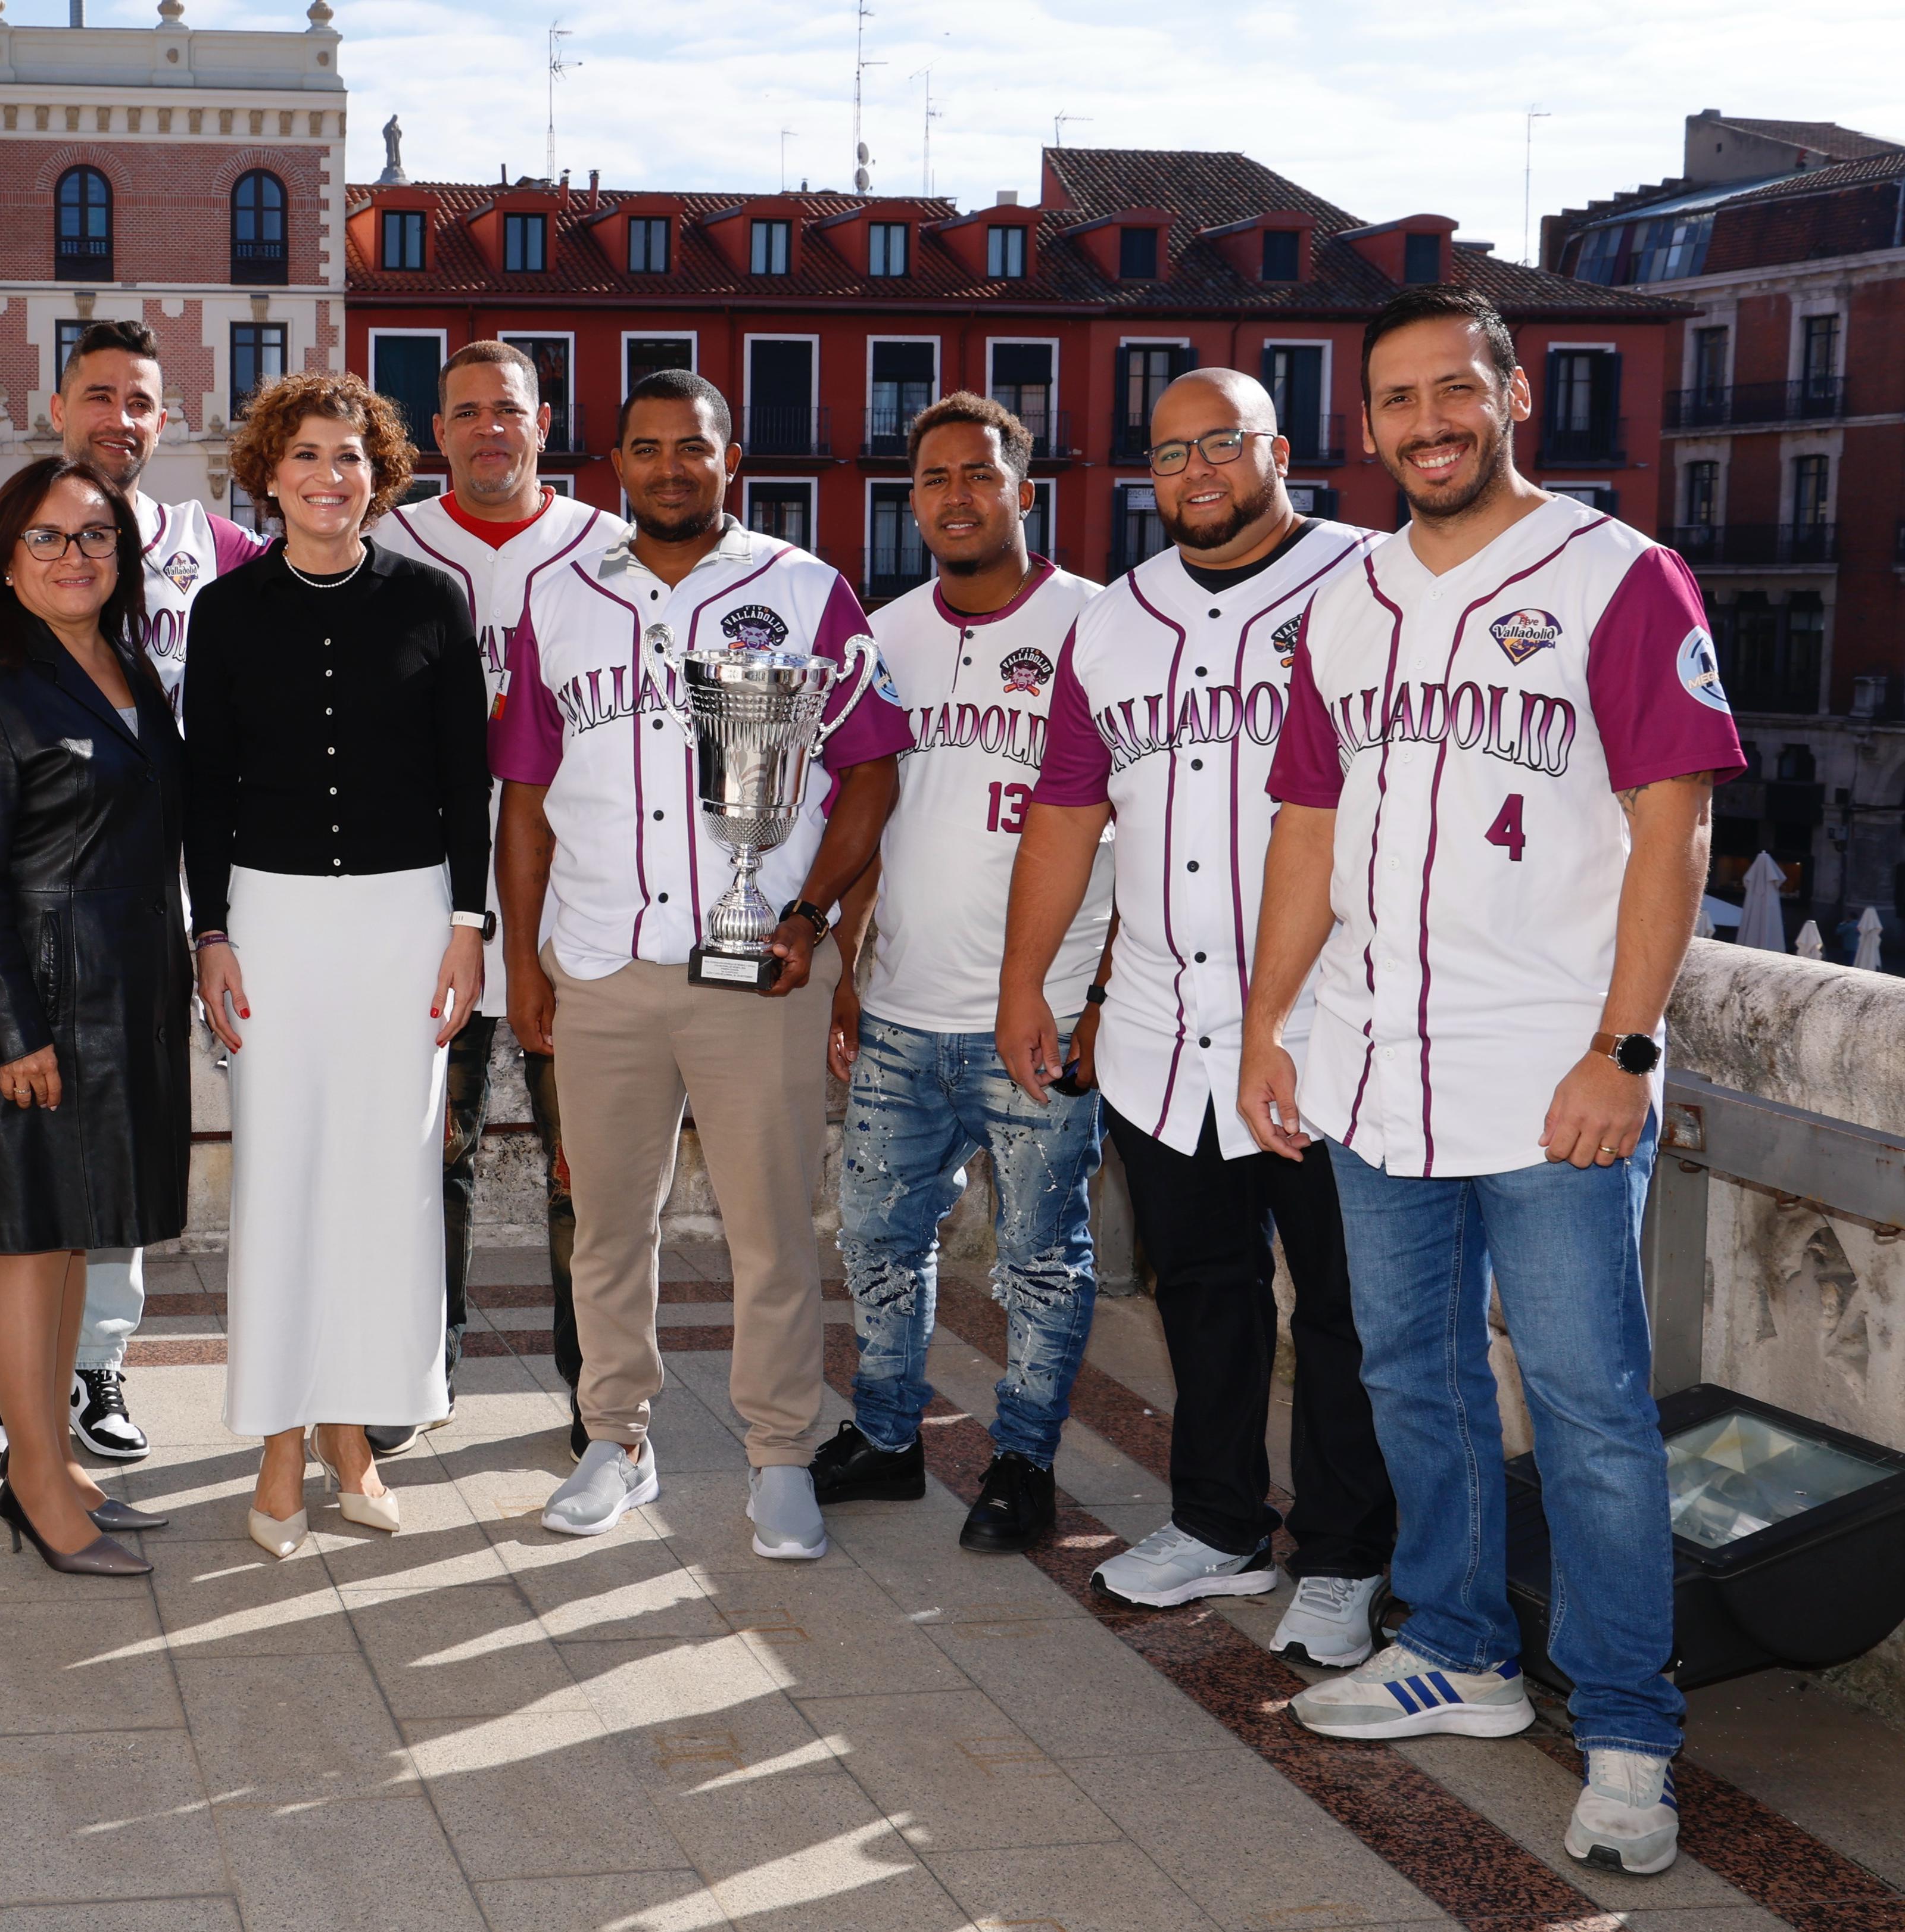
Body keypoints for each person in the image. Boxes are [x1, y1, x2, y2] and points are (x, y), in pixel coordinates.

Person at [1241, 283, 1742, 1877]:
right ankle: (1458, 1647)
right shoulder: (1343, 598)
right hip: (1374, 1063)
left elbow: (1676, 825)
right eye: (1397, 399)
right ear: (1366, 425)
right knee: (1412, 1374)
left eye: (1455, 389)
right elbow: (1308, 830)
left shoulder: (1618, 574)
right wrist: (1269, 1023)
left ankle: (1630, 1727)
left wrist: (1626, 1047)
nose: (1428, 422)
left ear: (1514, 397)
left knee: (1591, 1410)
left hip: (1551, 1077)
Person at [1001, 367, 1397, 1668]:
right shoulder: (1111, 621)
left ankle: (1346, 1554)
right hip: (1159, 1025)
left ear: (1279, 450)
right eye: (1170, 454)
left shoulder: (1373, 582)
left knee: (1343, 1309)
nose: (1197, 472)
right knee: (1206, 1290)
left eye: (1222, 443)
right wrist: (1028, 984)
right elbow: (1067, 813)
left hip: (1333, 1024)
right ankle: (1221, 1523)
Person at [495, 369, 908, 1561]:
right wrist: (525, 962)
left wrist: (810, 916)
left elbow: (872, 769)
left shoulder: (805, 588)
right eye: (647, 447)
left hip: (759, 970)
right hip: (602, 963)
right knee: (605, 1226)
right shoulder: (559, 597)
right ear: (613, 463)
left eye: (694, 446)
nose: (670, 467)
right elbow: (523, 799)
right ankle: (616, 1440)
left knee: (771, 1229)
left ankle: (779, 1454)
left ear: (732, 458)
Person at [0, 321, 263, 1476]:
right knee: (12, 1193)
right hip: (26, 929)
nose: (121, 417)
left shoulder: (209, 549)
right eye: (99, 394)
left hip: (140, 920)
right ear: (55, 407)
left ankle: (97, 1364)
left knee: (108, 1180)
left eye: (142, 401)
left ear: (168, 421)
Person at [188, 372, 488, 1557]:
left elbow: (466, 777)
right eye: (306, 454)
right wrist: (210, 933)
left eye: (351, 456)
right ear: (269, 474)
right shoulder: (225, 610)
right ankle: (278, 1443)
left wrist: (468, 925)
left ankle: (351, 1435)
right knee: (282, 1179)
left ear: (380, 476)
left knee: (387, 1183)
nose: (329, 476)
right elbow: (205, 787)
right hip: (270, 922)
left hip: (407, 919)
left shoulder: (433, 599)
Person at [813, 395, 1111, 1554]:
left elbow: (1142, 828)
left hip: (1040, 1014)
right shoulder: (884, 636)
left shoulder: (1098, 627)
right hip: (898, 1010)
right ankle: (889, 1439)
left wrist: (1098, 997)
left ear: (1023, 491)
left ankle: (1023, 1463)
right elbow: (868, 814)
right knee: (879, 1241)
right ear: (912, 499)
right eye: (933, 478)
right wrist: (849, 972)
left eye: (979, 474)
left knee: (1041, 1260)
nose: (955, 496)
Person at [0, 457, 191, 1579]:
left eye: (96, 536)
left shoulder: (129, 661)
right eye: (47, 536)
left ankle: (57, 1460)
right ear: (5, 561)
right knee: (28, 1239)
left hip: (127, 995)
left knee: (77, 1230)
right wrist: (12, 1029)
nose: (75, 555)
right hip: (35, 1001)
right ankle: (32, 1481)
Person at [370, 339, 621, 1459]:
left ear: (543, 421)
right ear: (438, 432)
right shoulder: (390, 544)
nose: (488, 429)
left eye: (507, 410)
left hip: (580, 902)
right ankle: (419, 1368)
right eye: (466, 412)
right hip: (433, 900)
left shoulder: (611, 550)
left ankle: (597, 1386)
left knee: (590, 1165)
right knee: (431, 1153)